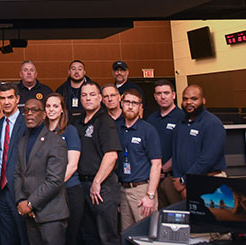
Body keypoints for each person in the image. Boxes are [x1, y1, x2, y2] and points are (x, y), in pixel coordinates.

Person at [14, 99, 69, 245]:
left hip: (51, 214)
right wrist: (21, 200)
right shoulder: (22, 142)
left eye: (34, 110)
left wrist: (31, 203)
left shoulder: (56, 142)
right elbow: (19, 174)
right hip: (30, 215)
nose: (29, 114)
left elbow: (55, 180)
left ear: (44, 115)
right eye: (26, 111)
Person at [77, 81, 120, 245]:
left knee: (107, 236)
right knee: (89, 235)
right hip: (83, 185)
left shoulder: (105, 121)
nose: (88, 98)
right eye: (84, 95)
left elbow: (111, 156)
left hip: (102, 186)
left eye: (92, 94)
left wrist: (97, 182)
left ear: (100, 98)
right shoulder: (79, 122)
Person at [171, 85, 227, 200]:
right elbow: (175, 154)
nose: (188, 102)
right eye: (185, 99)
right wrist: (177, 179)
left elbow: (207, 160)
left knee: (205, 218)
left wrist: (184, 181)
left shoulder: (212, 123)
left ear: (203, 101)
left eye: (194, 99)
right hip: (182, 184)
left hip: (208, 181)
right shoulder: (180, 123)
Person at [116, 90, 161, 231]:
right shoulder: (117, 128)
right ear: (121, 104)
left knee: (146, 234)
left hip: (142, 190)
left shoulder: (148, 130)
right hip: (122, 189)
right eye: (127, 102)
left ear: (140, 106)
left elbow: (157, 164)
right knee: (127, 234)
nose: (130, 106)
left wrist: (150, 195)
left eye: (134, 103)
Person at [45, 94, 82, 245]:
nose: (51, 109)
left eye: (55, 106)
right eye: (48, 106)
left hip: (69, 189)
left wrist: (53, 185)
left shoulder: (70, 130)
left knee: (70, 237)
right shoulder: (41, 131)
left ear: (62, 110)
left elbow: (72, 165)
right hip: (47, 192)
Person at [0, 83, 28, 245]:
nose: (6, 102)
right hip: (0, 191)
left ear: (17, 99)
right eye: (2, 98)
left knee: (24, 237)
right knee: (6, 238)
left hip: (20, 191)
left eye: (10, 97)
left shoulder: (27, 124)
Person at [145, 79, 185, 209]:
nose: (163, 96)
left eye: (166, 93)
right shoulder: (151, 119)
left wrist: (162, 169)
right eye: (159, 93)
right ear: (155, 97)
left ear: (173, 95)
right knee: (157, 219)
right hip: (152, 180)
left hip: (172, 179)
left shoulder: (182, 118)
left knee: (176, 219)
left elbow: (182, 151)